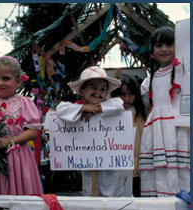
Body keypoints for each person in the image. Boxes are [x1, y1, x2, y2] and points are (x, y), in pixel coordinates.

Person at [0, 56, 43, 195]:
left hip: (16, 158)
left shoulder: (24, 102)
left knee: (16, 197)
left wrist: (8, 141)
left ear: (18, 81)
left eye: (6, 78)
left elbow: (32, 132)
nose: (0, 83)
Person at [56, 66, 126, 197]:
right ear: (82, 91)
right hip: (88, 160)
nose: (98, 92)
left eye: (102, 89)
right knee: (90, 190)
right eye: (93, 87)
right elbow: (60, 109)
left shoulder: (112, 104)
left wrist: (98, 108)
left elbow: (120, 104)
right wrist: (83, 108)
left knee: (112, 190)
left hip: (110, 161)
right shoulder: (76, 107)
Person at [138, 26, 190, 197]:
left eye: (169, 44)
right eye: (159, 45)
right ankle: (161, 204)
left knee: (178, 165)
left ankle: (182, 200)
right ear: (153, 50)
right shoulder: (150, 78)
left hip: (178, 126)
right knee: (160, 167)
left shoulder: (184, 72)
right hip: (157, 128)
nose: (165, 49)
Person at [111, 73, 148, 197]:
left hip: (139, 166)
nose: (127, 99)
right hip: (116, 166)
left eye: (131, 94)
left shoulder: (142, 113)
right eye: (122, 94)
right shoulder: (110, 114)